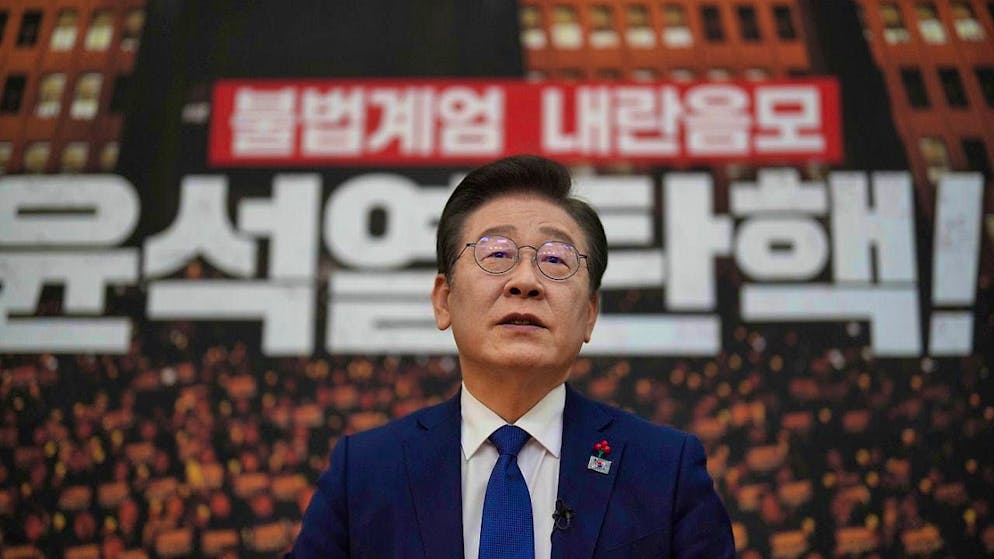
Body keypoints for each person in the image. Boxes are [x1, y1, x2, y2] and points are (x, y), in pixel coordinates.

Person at [289, 155, 734, 558]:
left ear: (589, 316)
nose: (525, 281)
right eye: (496, 253)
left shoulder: (664, 467)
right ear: (444, 300)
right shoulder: (365, 470)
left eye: (556, 260)